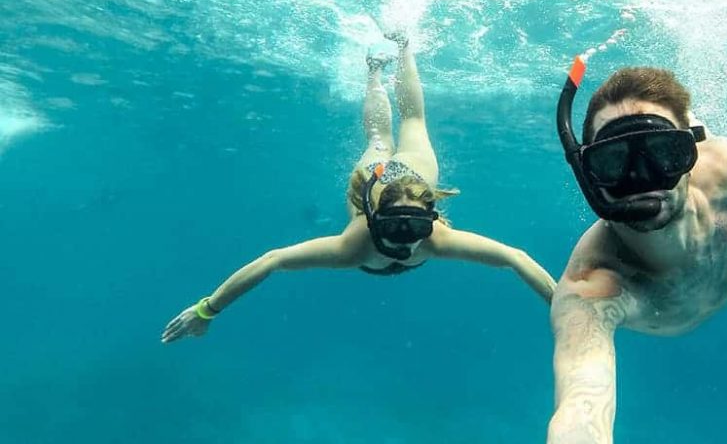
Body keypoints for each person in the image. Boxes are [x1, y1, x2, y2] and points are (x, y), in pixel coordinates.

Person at [161, 32, 556, 344]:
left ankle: (400, 50)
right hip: (380, 176)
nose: (406, 241)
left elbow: (515, 257)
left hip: (405, 175)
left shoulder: (429, 240)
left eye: (415, 229)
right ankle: (380, 67)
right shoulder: (356, 245)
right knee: (393, 133)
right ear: (371, 219)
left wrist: (565, 310)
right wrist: (205, 310)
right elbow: (272, 259)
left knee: (396, 130)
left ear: (430, 220)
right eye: (397, 228)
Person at [548, 60, 727, 443]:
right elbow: (580, 404)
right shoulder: (591, 287)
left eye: (663, 153)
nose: (642, 180)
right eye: (613, 161)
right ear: (589, 176)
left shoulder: (726, 168)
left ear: (688, 157)